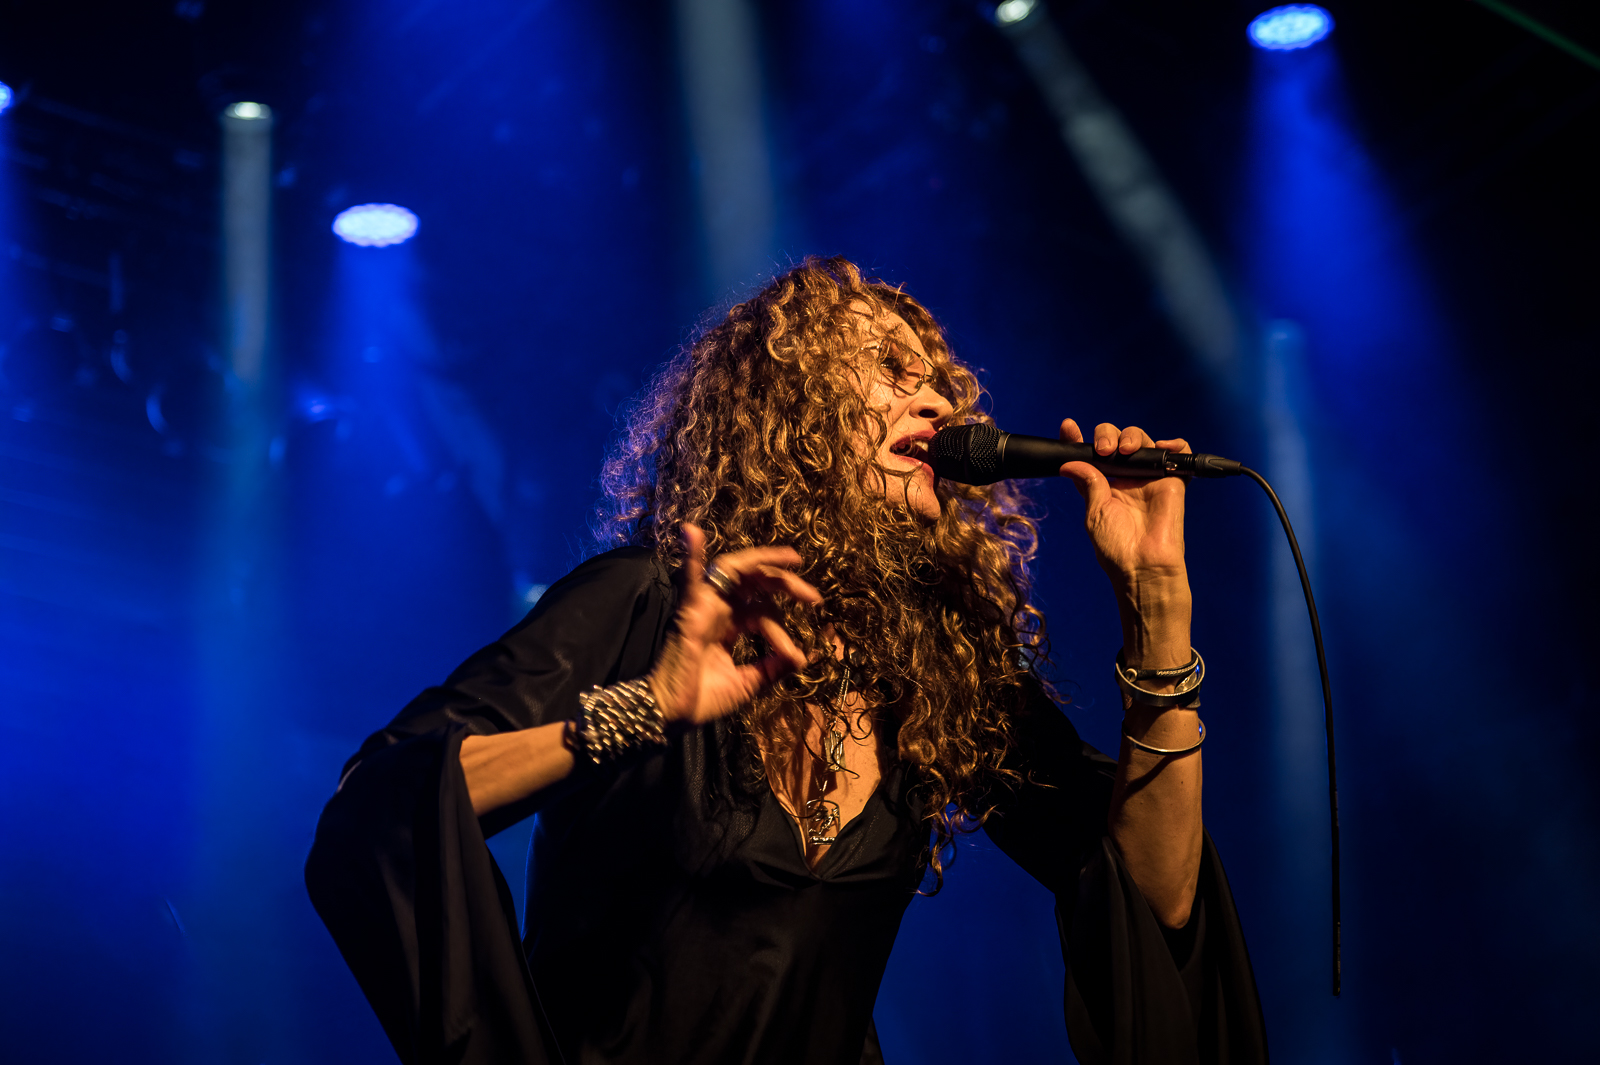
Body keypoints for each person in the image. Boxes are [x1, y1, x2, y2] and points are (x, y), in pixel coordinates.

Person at [306, 256, 1267, 1065]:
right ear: (793, 408)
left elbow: (1154, 902)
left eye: (937, 376)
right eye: (889, 366)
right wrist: (646, 708)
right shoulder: (647, 602)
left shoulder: (941, 672)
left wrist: (1158, 609)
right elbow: (388, 803)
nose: (935, 395)